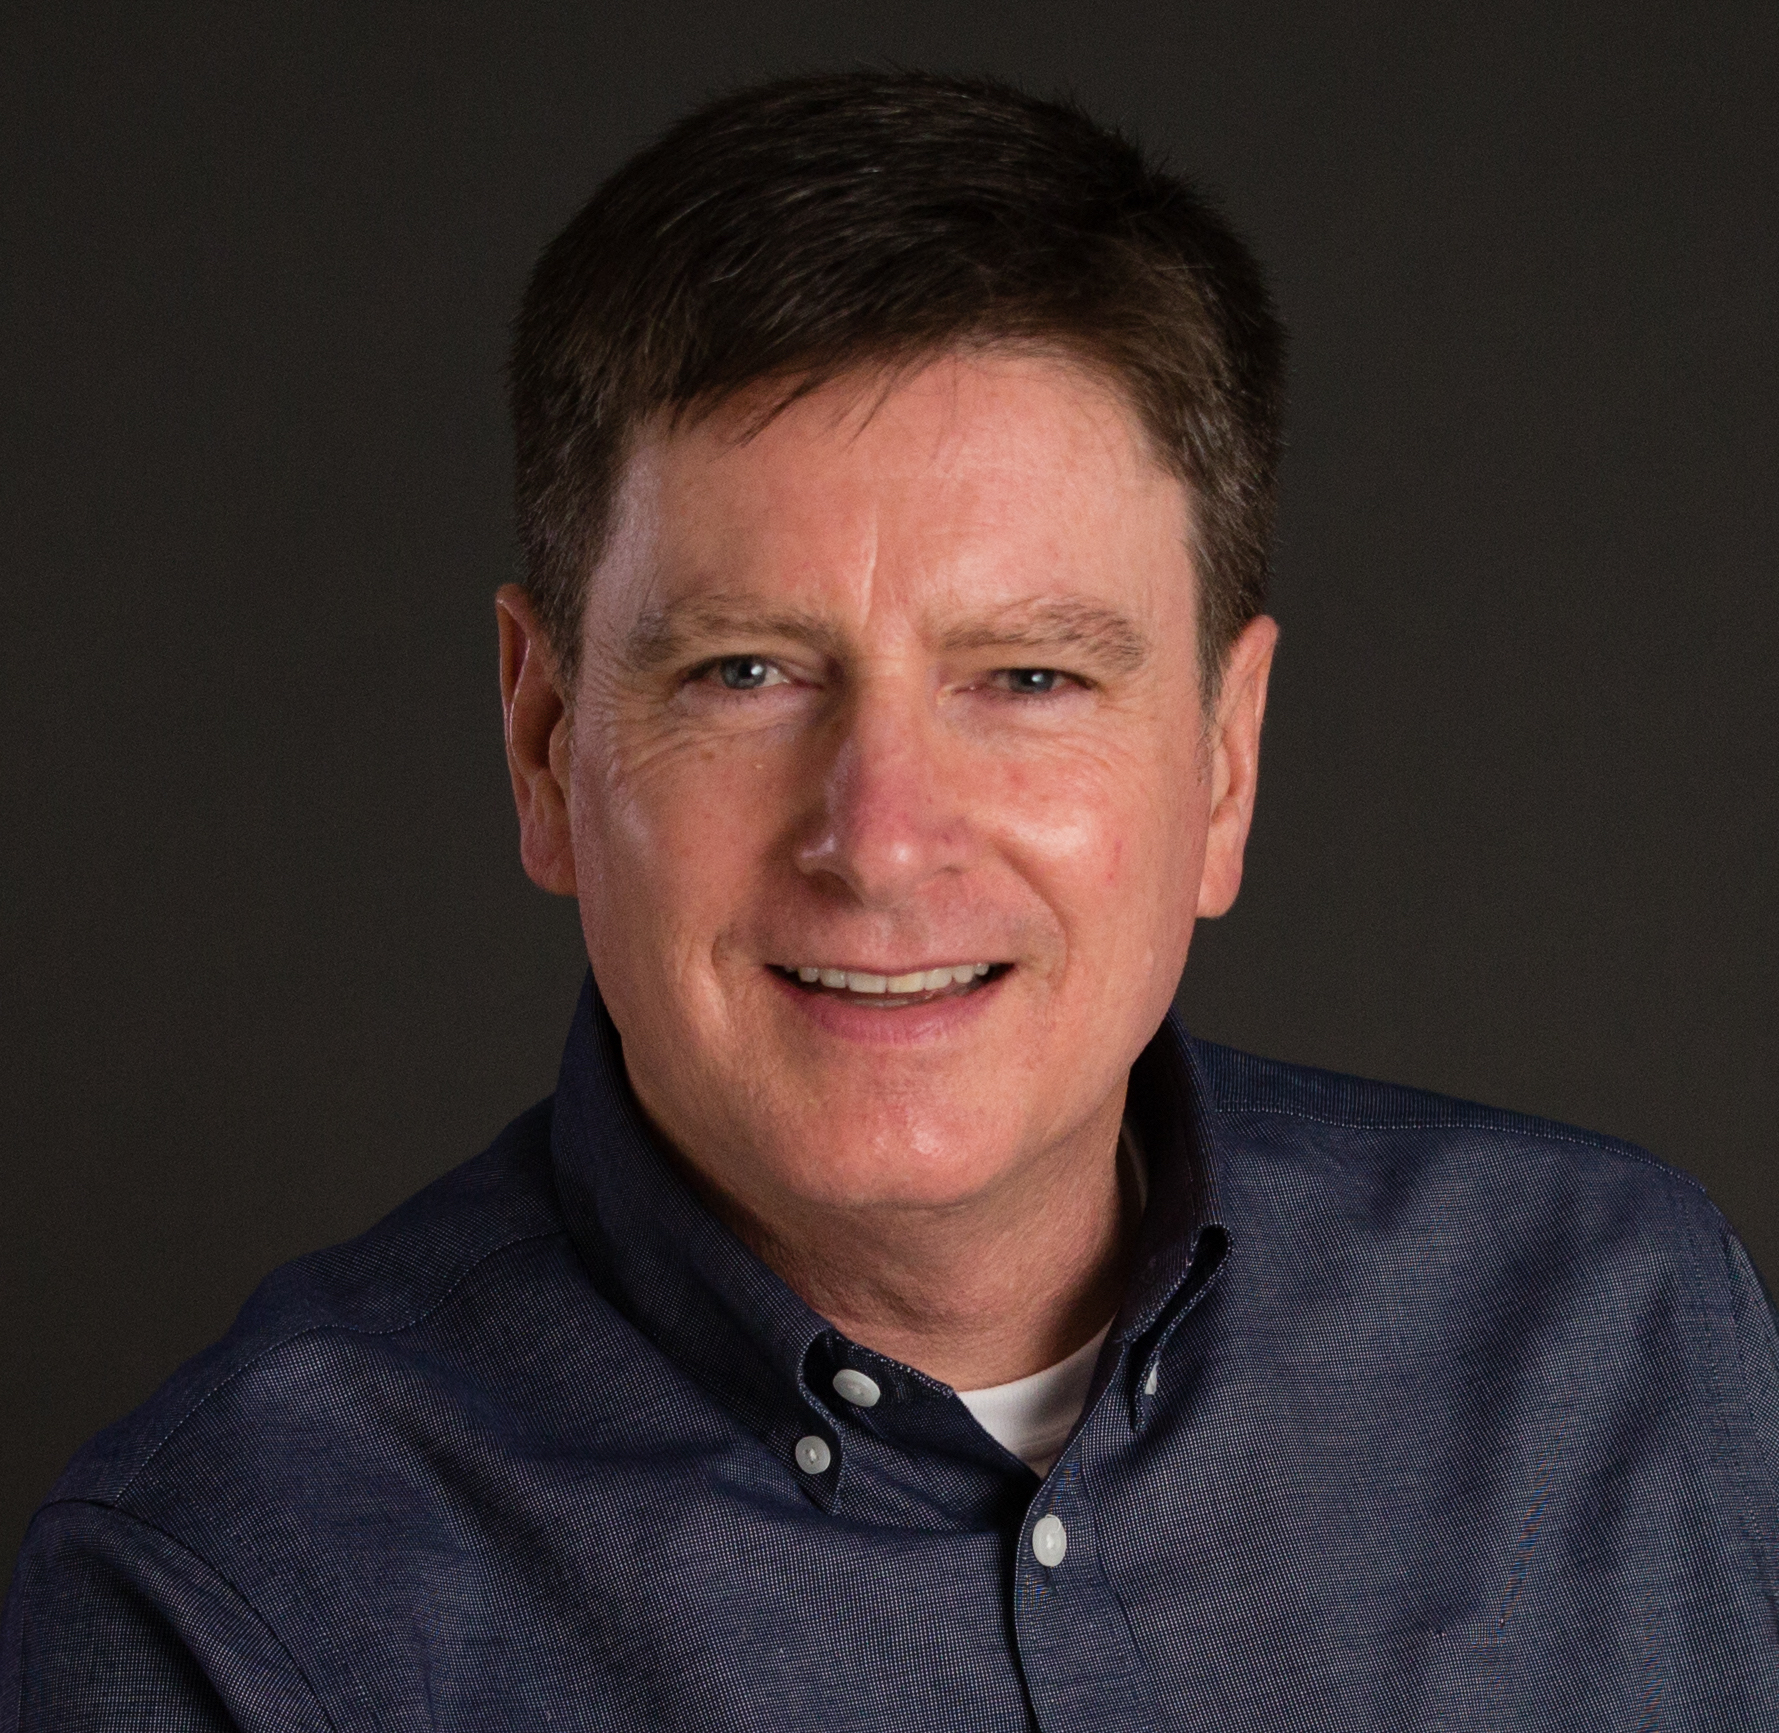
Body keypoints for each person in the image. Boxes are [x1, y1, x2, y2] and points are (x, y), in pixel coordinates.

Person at [4, 68, 1774, 1730]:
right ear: (545, 744)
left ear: (1224, 761)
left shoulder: (1630, 1332)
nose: (881, 835)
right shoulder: (235, 1607)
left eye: (1029, 679)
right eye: (750, 672)